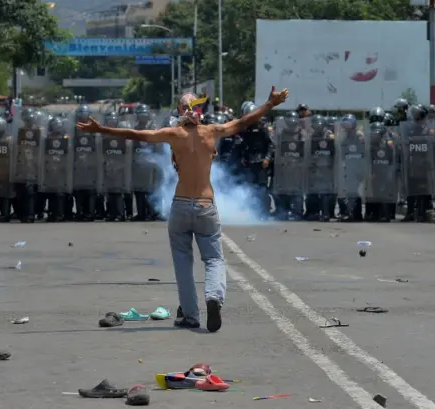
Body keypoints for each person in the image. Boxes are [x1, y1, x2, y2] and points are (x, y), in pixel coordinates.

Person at [77, 86, 289, 333]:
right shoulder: (211, 132)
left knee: (183, 264)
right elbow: (244, 122)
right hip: (205, 205)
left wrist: (101, 129)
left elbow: (134, 133)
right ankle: (214, 298)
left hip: (180, 206)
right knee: (213, 259)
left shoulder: (172, 134)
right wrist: (270, 104)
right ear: (198, 111)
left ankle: (190, 316)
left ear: (179, 111)